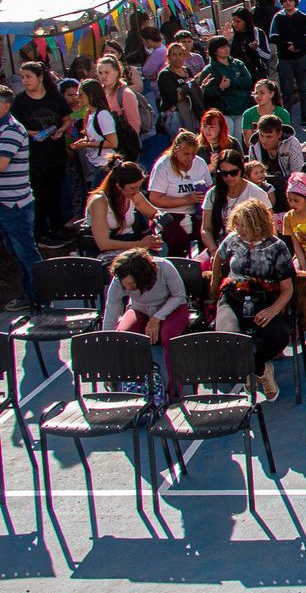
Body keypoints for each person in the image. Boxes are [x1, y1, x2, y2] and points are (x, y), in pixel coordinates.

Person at [211, 198, 294, 401]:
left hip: (265, 298)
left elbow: (287, 289)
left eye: (241, 225)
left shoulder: (277, 247)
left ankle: (257, 368)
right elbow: (218, 258)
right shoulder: (233, 239)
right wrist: (214, 287)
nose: (236, 228)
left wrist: (272, 310)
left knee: (279, 336)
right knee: (227, 338)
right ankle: (258, 369)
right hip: (234, 296)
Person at [101, 247, 189, 399]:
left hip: (172, 307)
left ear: (142, 276)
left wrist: (157, 318)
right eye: (125, 284)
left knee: (169, 337)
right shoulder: (119, 282)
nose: (127, 288)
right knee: (123, 335)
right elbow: (111, 311)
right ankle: (133, 387)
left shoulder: (165, 268)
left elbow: (179, 295)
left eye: (131, 284)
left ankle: (174, 391)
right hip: (140, 309)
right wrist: (108, 359)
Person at [13, 62, 71, 244]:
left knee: (55, 193)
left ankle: (57, 228)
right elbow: (17, 126)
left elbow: (67, 118)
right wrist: (33, 133)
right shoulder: (20, 101)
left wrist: (61, 130)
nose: (25, 81)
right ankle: (42, 232)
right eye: (22, 77)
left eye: (28, 76)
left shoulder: (55, 97)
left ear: (40, 78)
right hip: (34, 156)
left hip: (56, 153)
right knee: (39, 195)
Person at [0, 86, 43, 310]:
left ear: (6, 106)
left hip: (15, 204)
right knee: (16, 252)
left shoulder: (11, 129)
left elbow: (1, 164)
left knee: (26, 252)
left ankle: (42, 296)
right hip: (5, 203)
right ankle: (31, 294)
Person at [146, 131, 210, 255]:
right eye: (186, 154)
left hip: (195, 212)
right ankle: (176, 268)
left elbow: (210, 185)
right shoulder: (163, 165)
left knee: (207, 234)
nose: (190, 158)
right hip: (167, 214)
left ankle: (205, 267)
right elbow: (154, 198)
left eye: (193, 154)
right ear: (176, 149)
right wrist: (186, 200)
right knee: (179, 239)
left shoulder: (200, 163)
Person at [200, 151, 270, 252]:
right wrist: (213, 251)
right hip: (220, 247)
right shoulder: (213, 194)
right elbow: (206, 229)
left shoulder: (257, 193)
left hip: (252, 248)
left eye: (233, 173)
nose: (229, 177)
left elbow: (269, 229)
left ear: (241, 171)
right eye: (224, 174)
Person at [267, 0, 306, 126]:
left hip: (300, 56)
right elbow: (273, 36)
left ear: (295, 1)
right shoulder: (278, 18)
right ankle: (286, 117)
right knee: (287, 89)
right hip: (284, 58)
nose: (288, 3)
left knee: (303, 87)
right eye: (285, 1)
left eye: (290, 0)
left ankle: (304, 115)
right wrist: (287, 46)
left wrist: (297, 45)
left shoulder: (302, 17)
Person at [246, 114, 305, 210]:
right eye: (261, 135)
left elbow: (298, 174)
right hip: (263, 188)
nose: (264, 140)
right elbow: (251, 173)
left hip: (288, 187)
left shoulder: (292, 143)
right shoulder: (254, 145)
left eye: (269, 137)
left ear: (279, 134)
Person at [240, 79, 291, 149]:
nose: (258, 96)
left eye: (262, 93)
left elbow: (286, 139)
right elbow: (248, 142)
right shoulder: (248, 114)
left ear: (272, 94)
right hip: (257, 151)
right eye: (256, 93)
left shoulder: (283, 114)